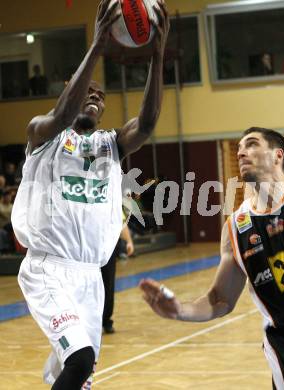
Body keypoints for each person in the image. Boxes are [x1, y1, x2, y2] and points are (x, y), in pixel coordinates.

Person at [12, 0, 169, 389]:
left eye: (101, 95)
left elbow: (147, 123)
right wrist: (98, 45)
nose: (95, 97)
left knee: (78, 376)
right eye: (87, 90)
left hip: (90, 277)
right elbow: (62, 116)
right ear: (69, 93)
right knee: (80, 360)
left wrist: (157, 57)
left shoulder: (111, 144)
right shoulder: (43, 134)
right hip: (48, 268)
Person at [140, 127, 284, 389]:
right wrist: (180, 310)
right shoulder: (235, 226)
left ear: (278, 155)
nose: (242, 152)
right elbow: (220, 300)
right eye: (239, 148)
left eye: (252, 144)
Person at [101, 214, 134, 334]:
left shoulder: (112, 199)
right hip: (86, 247)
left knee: (108, 283)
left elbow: (121, 221)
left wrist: (129, 241)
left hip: (108, 246)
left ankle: (106, 320)